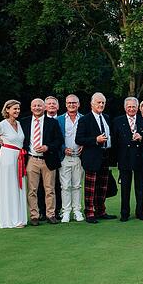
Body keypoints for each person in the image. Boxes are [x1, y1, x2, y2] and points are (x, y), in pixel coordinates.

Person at [75, 92, 117, 224]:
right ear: (92, 104)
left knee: (102, 186)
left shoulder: (107, 117)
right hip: (91, 157)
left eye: (103, 103)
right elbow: (79, 139)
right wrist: (95, 139)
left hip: (105, 155)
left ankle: (101, 211)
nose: (101, 105)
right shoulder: (84, 120)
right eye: (98, 102)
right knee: (90, 187)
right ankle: (89, 213)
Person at [21, 98, 63, 226]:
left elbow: (59, 140)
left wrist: (47, 147)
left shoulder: (52, 123)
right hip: (32, 159)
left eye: (40, 105)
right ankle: (34, 215)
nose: (37, 107)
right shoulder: (24, 122)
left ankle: (51, 214)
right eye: (35, 105)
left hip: (48, 159)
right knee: (32, 190)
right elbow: (16, 136)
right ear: (31, 107)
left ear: (44, 108)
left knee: (50, 189)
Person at [0, 100, 28, 228]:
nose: (17, 111)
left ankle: (20, 218)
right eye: (14, 109)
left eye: (18, 109)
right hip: (8, 158)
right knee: (10, 187)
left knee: (19, 187)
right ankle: (11, 220)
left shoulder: (19, 124)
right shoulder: (1, 125)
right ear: (7, 110)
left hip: (19, 157)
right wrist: (1, 154)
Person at [113, 97, 143, 221]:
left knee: (140, 188)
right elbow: (114, 141)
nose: (131, 109)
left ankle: (140, 213)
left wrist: (141, 137)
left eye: (133, 106)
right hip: (124, 159)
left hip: (140, 158)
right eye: (129, 106)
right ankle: (124, 213)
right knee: (125, 188)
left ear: (137, 108)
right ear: (125, 108)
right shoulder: (117, 121)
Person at [57, 94, 84, 222]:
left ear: (78, 104)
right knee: (65, 185)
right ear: (66, 104)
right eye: (69, 103)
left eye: (74, 103)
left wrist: (83, 145)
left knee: (77, 185)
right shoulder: (59, 119)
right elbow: (56, 138)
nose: (72, 105)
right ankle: (66, 211)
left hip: (79, 157)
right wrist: (63, 148)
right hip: (65, 157)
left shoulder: (84, 118)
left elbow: (88, 135)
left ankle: (77, 210)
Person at [41, 95, 62, 218]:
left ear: (58, 106)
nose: (52, 105)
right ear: (45, 107)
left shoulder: (62, 119)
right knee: (41, 187)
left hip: (60, 157)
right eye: (49, 104)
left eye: (54, 104)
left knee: (57, 186)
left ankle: (56, 210)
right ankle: (42, 212)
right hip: (44, 158)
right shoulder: (39, 121)